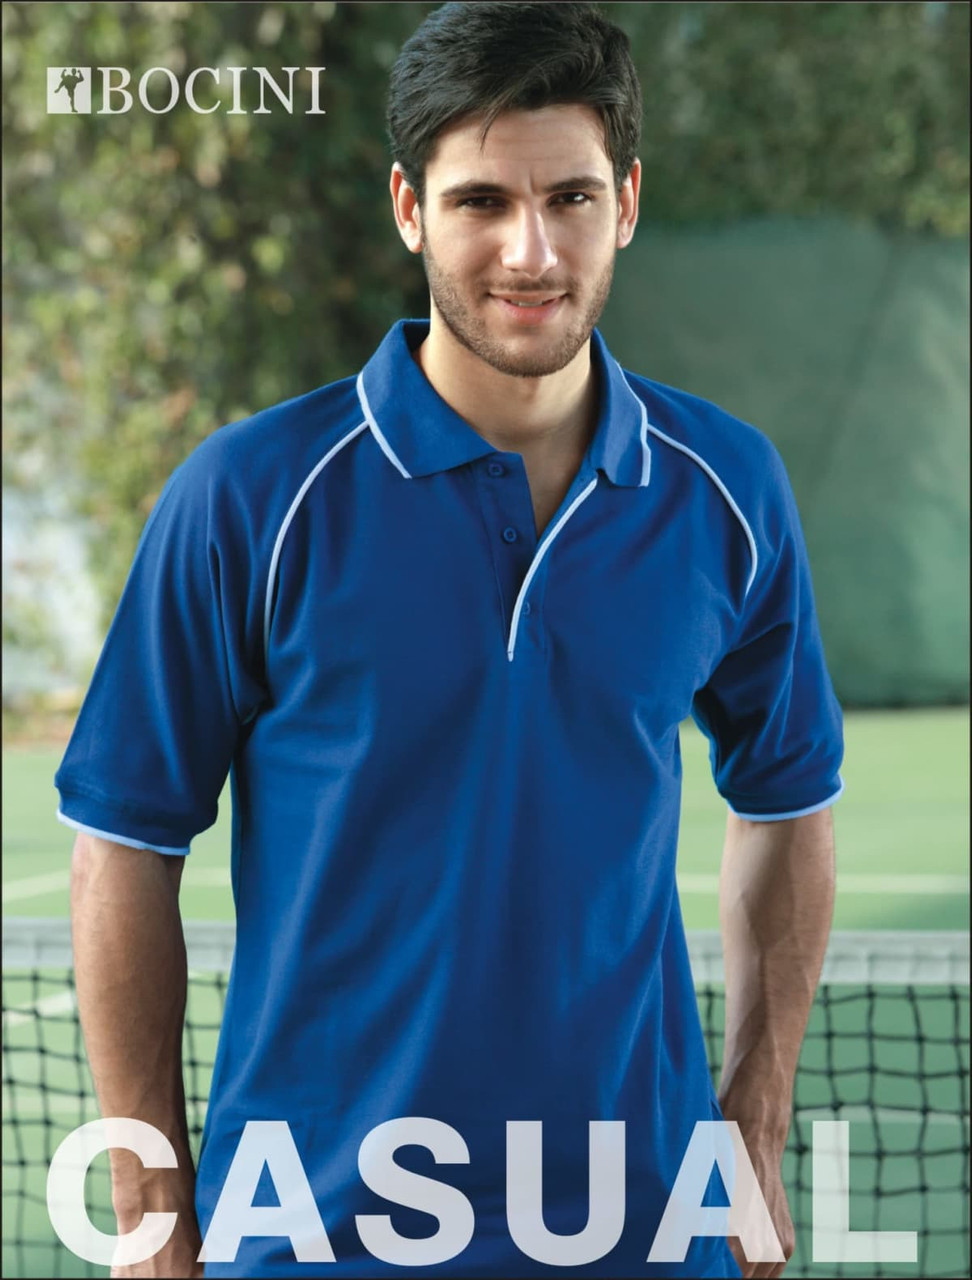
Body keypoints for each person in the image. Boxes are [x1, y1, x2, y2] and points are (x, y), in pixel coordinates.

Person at [58, 4, 843, 1277]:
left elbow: (788, 801)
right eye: (482, 200)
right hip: (314, 1231)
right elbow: (124, 841)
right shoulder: (251, 497)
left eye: (572, 197)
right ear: (410, 208)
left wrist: (753, 1117)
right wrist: (150, 1198)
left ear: (628, 202)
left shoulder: (729, 491)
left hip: (643, 1225)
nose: (531, 251)